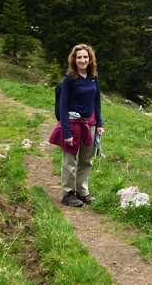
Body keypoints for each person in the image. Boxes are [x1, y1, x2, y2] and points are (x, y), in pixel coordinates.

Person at [49, 43, 105, 207]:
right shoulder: (69, 79)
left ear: (90, 59)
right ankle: (67, 193)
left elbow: (97, 102)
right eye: (79, 57)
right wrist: (66, 132)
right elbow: (63, 106)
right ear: (74, 60)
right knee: (70, 161)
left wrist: (99, 124)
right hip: (73, 124)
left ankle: (82, 191)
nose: (82, 60)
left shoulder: (93, 77)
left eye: (85, 57)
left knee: (86, 160)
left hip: (90, 124)